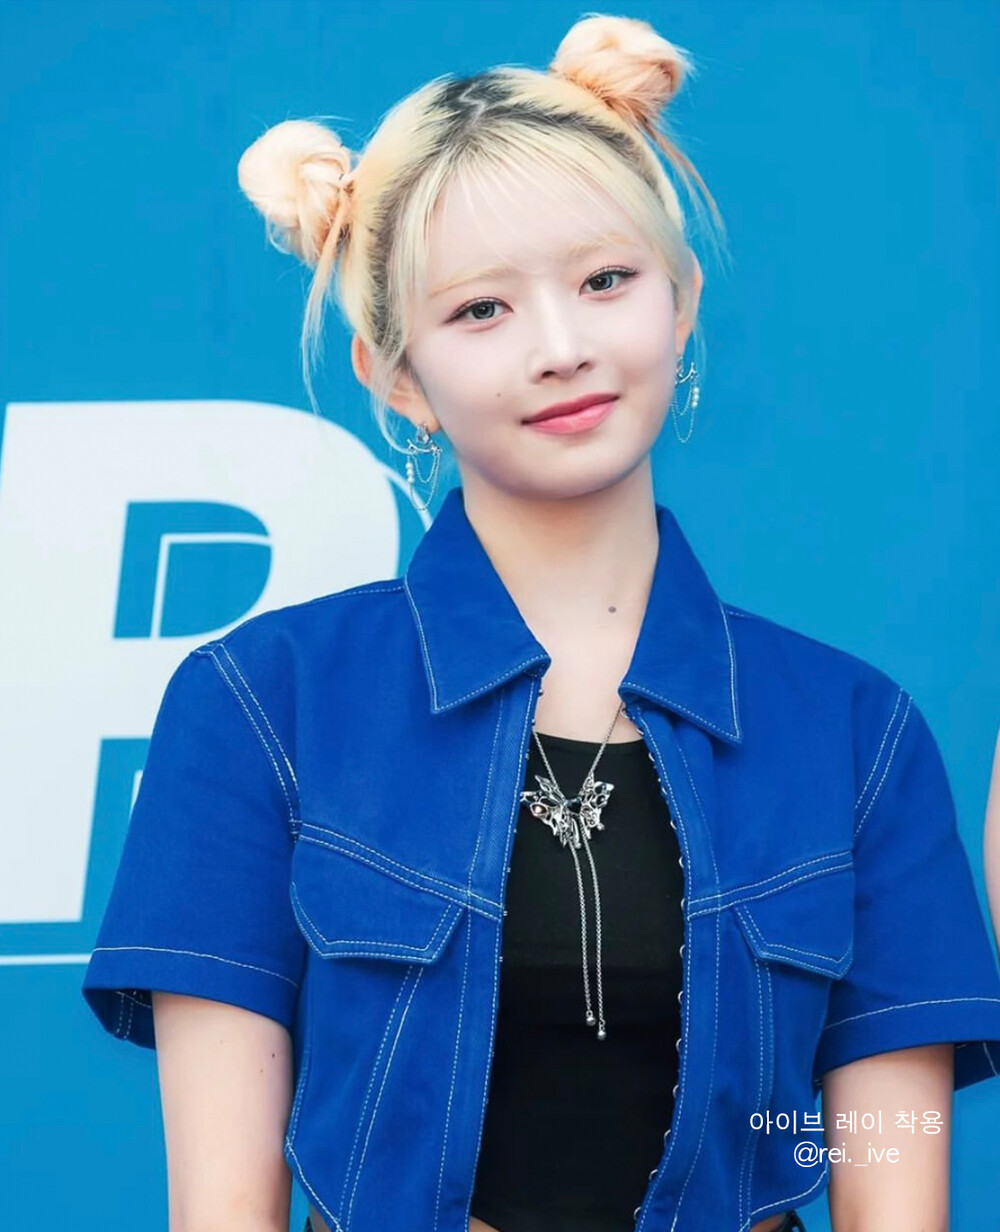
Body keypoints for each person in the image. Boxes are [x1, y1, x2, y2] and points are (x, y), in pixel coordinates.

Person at [81, 13, 1000, 1232]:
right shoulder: (263, 704)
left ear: (681, 302)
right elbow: (221, 1205)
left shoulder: (853, 730)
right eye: (481, 310)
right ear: (394, 374)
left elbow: (886, 1163)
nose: (561, 348)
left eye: (605, 281)